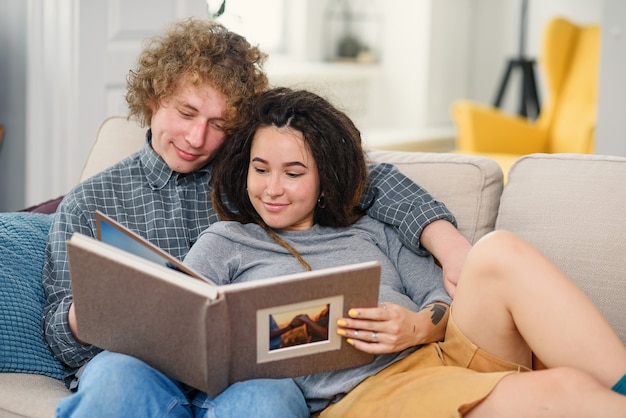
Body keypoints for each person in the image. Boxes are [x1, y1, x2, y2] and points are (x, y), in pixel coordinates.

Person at [41, 18, 470, 417]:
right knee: (114, 379)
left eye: (218, 123)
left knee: (267, 396)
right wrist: (94, 309)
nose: (197, 138)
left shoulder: (253, 168)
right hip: (144, 370)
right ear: (153, 99)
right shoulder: (89, 201)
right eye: (186, 113)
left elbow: (361, 177)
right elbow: (60, 336)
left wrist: (449, 245)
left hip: (249, 377)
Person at [182, 87, 626, 416]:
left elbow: (443, 300)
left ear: (324, 180)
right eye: (260, 170)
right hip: (362, 396)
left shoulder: (371, 229)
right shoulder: (225, 244)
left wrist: (415, 325)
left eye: (293, 173)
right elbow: (183, 335)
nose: (272, 189)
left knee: (498, 251)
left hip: (433, 356)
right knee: (564, 390)